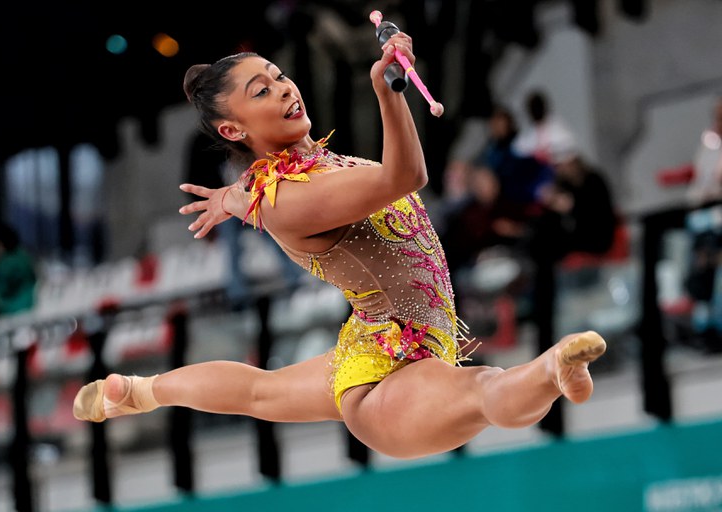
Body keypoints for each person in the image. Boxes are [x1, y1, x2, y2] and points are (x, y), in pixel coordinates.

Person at [73, 31, 606, 459]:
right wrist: (388, 90)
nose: (284, 88)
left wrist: (233, 198)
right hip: (389, 383)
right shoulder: (286, 199)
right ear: (235, 131)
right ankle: (552, 369)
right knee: (485, 389)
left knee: (262, 392)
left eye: (279, 76)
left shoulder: (301, 174)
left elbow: (259, 189)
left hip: (373, 341)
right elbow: (406, 176)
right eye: (261, 91)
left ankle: (140, 392)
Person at [513, 90, 578, 168]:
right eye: (532, 107)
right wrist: (536, 154)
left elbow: (570, 145)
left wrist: (549, 152)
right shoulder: (528, 131)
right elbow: (518, 149)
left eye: (537, 106)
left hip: (559, 167)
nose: (535, 110)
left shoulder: (557, 124)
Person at [686, 96, 722, 205]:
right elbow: (702, 176)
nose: (719, 124)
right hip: (704, 201)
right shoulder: (710, 142)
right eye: (718, 118)